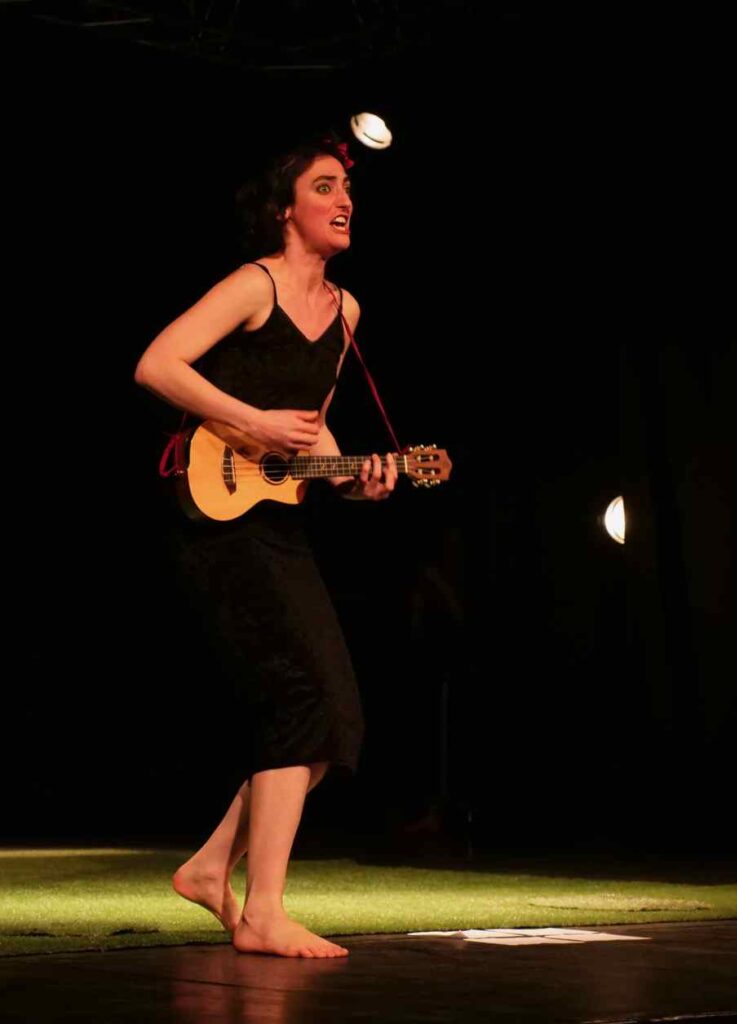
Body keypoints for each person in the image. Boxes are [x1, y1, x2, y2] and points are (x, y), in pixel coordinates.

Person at [134, 135, 397, 959]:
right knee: (302, 705)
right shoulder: (255, 284)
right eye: (324, 187)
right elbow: (156, 365)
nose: (343, 200)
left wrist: (355, 480)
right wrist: (250, 420)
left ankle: (213, 867)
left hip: (277, 520)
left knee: (334, 715)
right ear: (286, 209)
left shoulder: (346, 312)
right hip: (214, 515)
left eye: (346, 188)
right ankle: (262, 912)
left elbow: (313, 432)